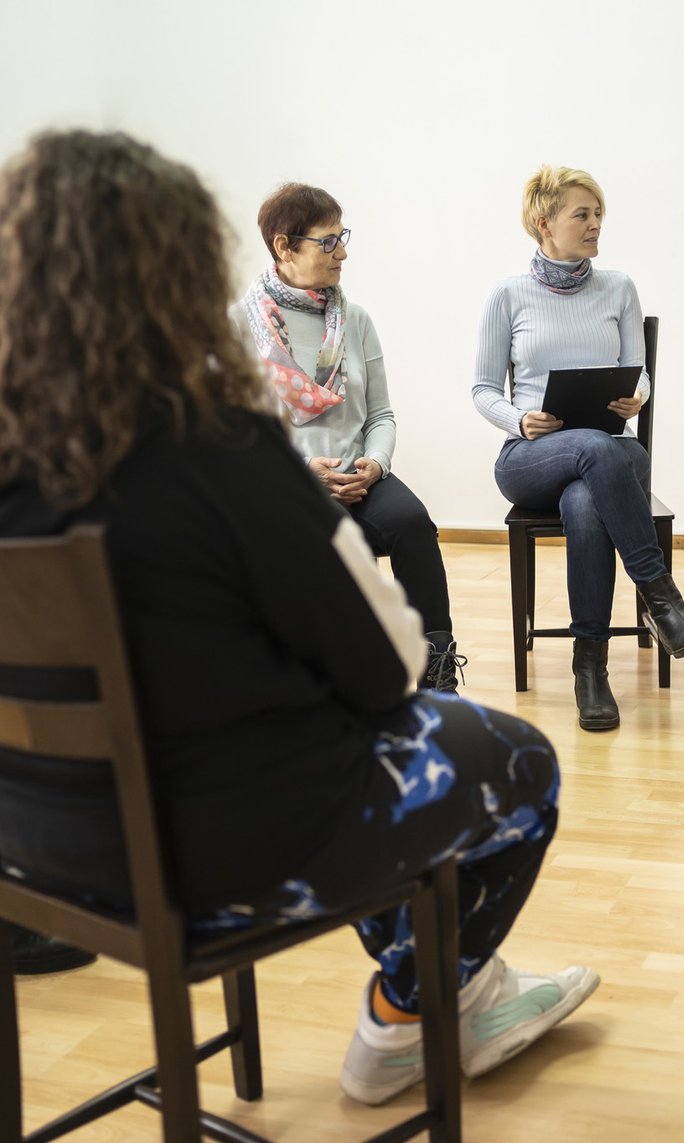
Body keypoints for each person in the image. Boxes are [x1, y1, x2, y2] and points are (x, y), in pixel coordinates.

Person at [0, 130, 598, 1108]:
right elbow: (388, 672)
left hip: (37, 851)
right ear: (182, 274)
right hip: (228, 854)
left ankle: (460, 988)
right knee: (518, 761)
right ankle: (408, 1014)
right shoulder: (220, 447)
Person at [473, 165, 684, 731]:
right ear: (543, 222)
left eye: (598, 213)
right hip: (530, 457)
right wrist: (519, 418)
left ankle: (591, 669)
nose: (595, 224)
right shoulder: (507, 295)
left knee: (587, 497)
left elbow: (641, 374)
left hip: (613, 449)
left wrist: (636, 396)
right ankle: (663, 601)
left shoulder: (619, 287)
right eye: (581, 214)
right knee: (587, 451)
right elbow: (482, 390)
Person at [235, 184, 464, 692]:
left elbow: (381, 414)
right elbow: (236, 433)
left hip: (361, 471)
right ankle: (353, 673)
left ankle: (436, 672)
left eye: (343, 238)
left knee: (413, 524)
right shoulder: (241, 326)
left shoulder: (354, 320)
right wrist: (302, 469)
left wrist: (376, 464)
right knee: (334, 540)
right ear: (284, 246)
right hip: (289, 481)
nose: (342, 253)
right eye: (328, 242)